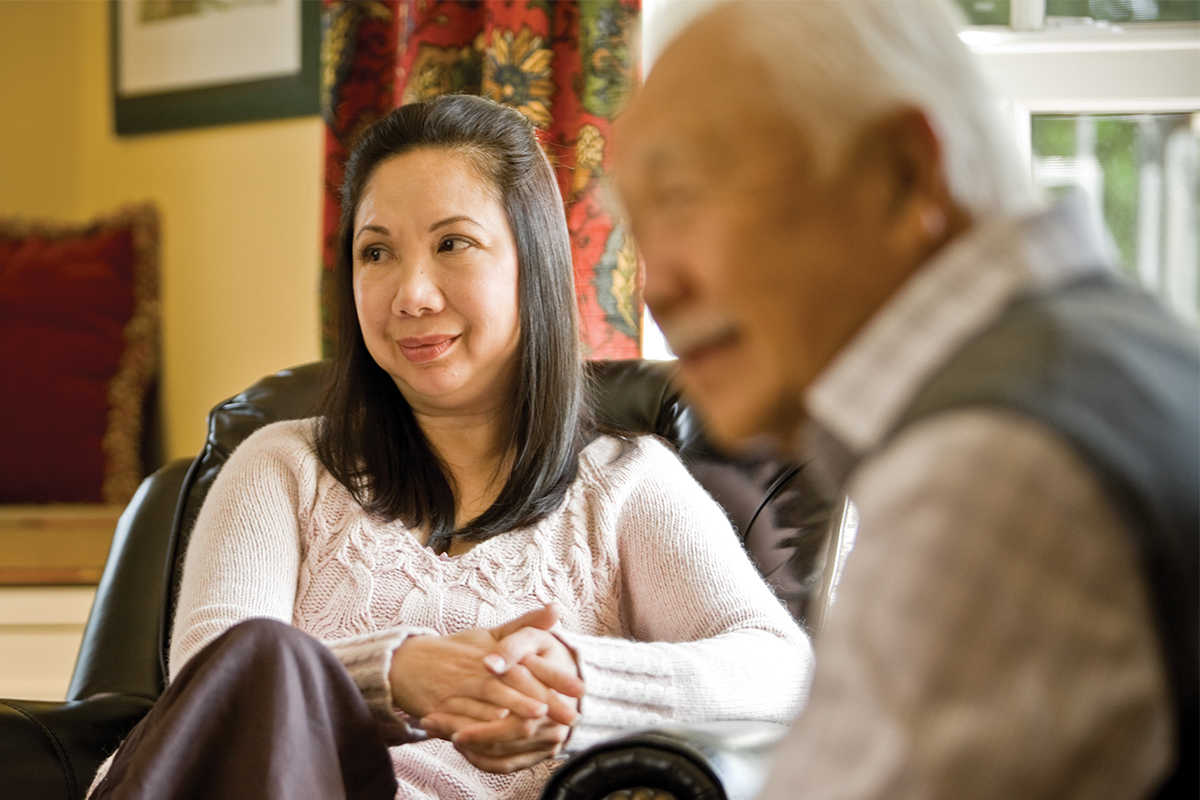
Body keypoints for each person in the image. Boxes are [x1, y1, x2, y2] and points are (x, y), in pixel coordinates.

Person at [88, 94, 813, 800]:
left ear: (532, 262)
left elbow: (784, 672)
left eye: (452, 244)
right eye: (376, 252)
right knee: (262, 656)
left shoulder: (625, 486)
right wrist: (398, 676)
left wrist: (575, 681)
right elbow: (216, 691)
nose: (412, 295)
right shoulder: (279, 466)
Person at [613, 1, 1198, 798]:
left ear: (903, 172)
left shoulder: (984, 470)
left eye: (685, 197)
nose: (657, 287)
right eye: (637, 226)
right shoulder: (1120, 355)